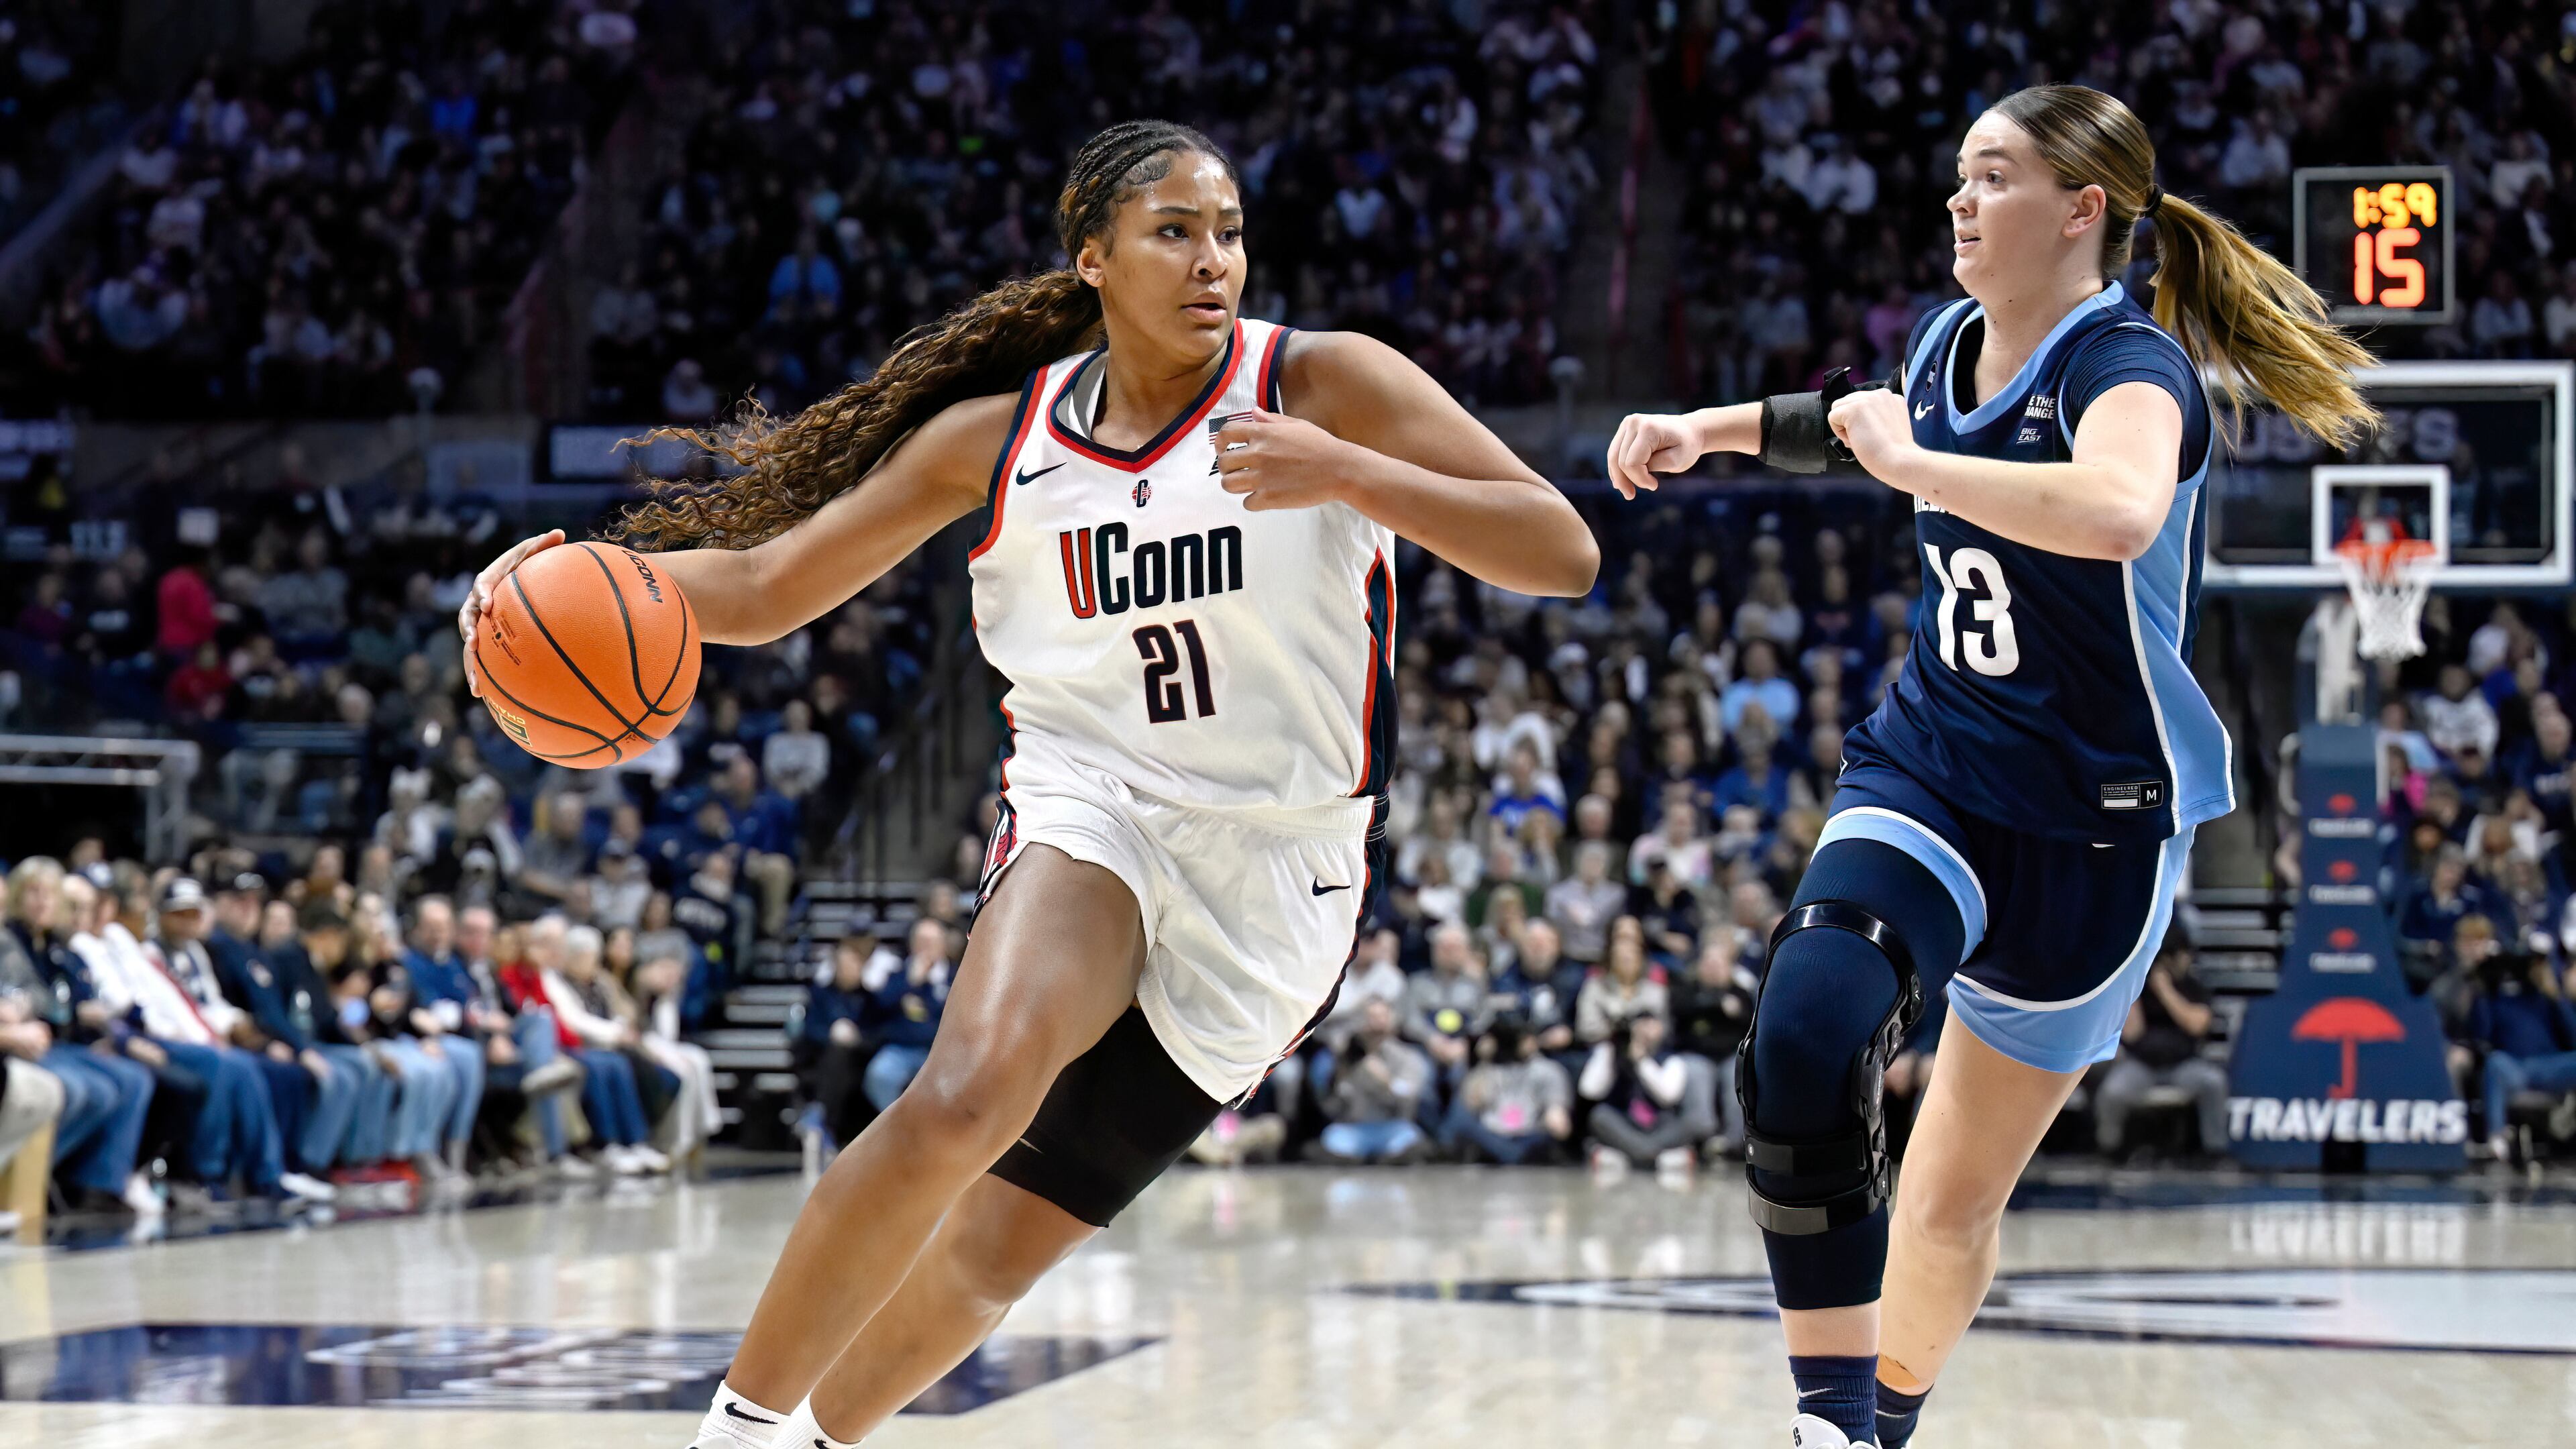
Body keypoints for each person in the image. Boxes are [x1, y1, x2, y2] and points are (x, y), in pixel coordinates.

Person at [464, 120, 1595, 1449]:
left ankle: (826, 1439)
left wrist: (1350, 473)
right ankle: (741, 1433)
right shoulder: (993, 446)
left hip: (1286, 871)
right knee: (968, 1090)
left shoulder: (1324, 383)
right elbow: (769, 592)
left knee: (996, 1255)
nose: (1212, 258)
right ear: (1094, 261)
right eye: (1174, 231)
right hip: (1095, 804)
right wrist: (549, 590)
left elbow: (1561, 549)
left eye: (1228, 230)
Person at [1607, 84, 2374, 1447]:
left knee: (1953, 1205)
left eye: (1994, 177)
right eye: (1959, 176)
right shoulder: (1945, 339)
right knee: (1803, 1034)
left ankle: (1886, 1419)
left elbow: (2120, 507)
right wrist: (1703, 431)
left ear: (2083, 210)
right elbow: (1851, 416)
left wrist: (1921, 469)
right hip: (1934, 772)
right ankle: (1830, 1422)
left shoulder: (2127, 369)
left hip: (2091, 831)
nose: (1960, 201)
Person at [2091, 936, 2229, 1158]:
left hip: (2184, 1065)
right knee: (2113, 1092)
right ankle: (2109, 1152)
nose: (2187, 961)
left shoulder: (2194, 988)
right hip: (2141, 1065)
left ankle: (2216, 1153)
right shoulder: (2140, 988)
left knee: (2213, 1082)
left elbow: (2197, 1025)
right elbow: (2132, 1032)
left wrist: (2166, 992)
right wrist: (2133, 988)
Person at [1316, 998, 1434, 1163]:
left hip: (1392, 1128)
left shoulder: (1409, 1058)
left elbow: (1410, 1098)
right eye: (1370, 1018)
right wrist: (1340, 1074)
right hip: (1354, 1129)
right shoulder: (1343, 1058)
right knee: (1332, 1139)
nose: (1377, 1025)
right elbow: (1330, 1105)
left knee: (1410, 1139)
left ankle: (1388, 1160)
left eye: (1382, 1017)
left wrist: (1387, 1082)